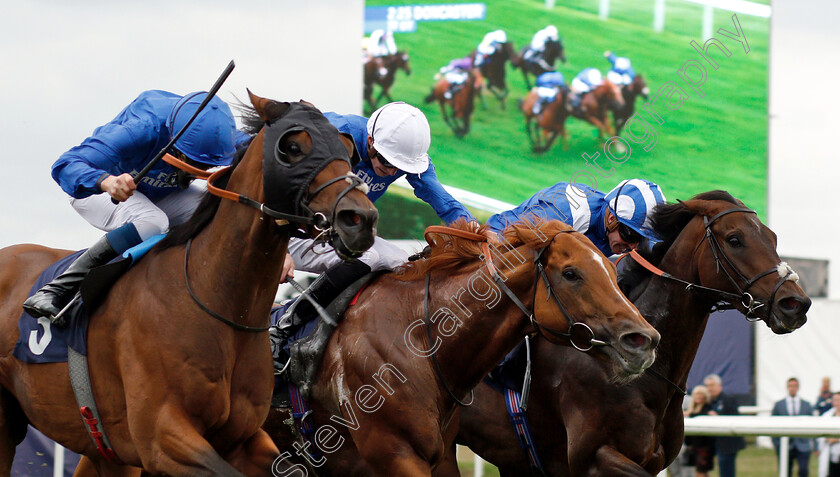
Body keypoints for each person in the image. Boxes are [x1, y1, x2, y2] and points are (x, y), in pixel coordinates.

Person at [23, 90, 242, 320]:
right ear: (174, 141)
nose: (200, 170)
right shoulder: (141, 128)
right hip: (99, 191)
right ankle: (56, 290)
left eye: (206, 165)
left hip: (158, 194)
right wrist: (107, 182)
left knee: (217, 207)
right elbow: (65, 165)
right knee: (153, 221)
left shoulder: (220, 136)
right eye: (193, 162)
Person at [272, 102, 476, 348]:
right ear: (370, 141)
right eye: (387, 164)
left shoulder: (401, 152)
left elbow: (444, 203)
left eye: (400, 168)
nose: (391, 173)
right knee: (369, 256)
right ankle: (282, 328)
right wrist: (279, 245)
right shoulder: (334, 135)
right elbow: (274, 179)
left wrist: (475, 234)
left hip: (333, 233)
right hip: (283, 229)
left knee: (402, 265)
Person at [485, 178, 667, 257]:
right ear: (611, 218)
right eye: (631, 236)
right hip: (498, 247)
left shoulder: (626, 232)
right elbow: (514, 252)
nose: (633, 247)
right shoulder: (566, 212)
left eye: (641, 238)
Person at [705, 374, 746, 477]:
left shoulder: (728, 399)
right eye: (708, 386)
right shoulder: (708, 401)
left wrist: (718, 416)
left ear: (719, 385)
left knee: (726, 470)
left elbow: (735, 418)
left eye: (712, 385)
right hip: (714, 442)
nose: (710, 388)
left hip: (728, 443)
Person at [773, 377, 814, 477]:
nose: (792, 388)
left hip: (803, 445)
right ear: (787, 387)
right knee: (786, 471)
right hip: (785, 445)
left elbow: (812, 425)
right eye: (790, 386)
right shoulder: (779, 405)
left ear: (798, 387)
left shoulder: (806, 405)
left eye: (794, 386)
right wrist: (777, 444)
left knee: (803, 471)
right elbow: (773, 425)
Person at [684, 385, 716, 477]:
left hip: (704, 445)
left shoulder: (707, 409)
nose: (698, 397)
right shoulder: (690, 410)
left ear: (705, 396)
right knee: (702, 470)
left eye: (701, 395)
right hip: (693, 444)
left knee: (701, 471)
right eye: (697, 394)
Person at [817, 393, 840, 477]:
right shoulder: (826, 416)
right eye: (835, 400)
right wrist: (827, 439)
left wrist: (837, 439)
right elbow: (820, 433)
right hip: (830, 453)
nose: (837, 403)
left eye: (839, 400)